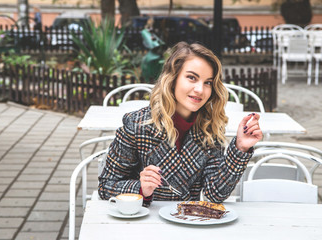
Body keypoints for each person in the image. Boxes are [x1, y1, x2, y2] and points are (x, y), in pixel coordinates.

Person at [98, 42, 263, 206]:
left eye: (208, 82)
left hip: (186, 220)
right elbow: (106, 186)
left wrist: (240, 149)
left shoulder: (209, 129)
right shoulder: (137, 125)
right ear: (173, 78)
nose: (200, 89)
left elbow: (215, 195)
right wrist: (141, 189)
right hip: (142, 221)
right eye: (192, 78)